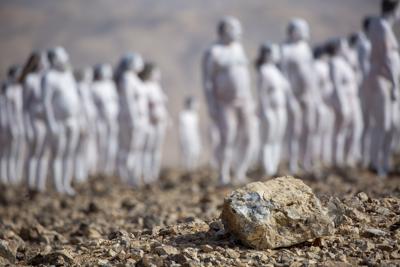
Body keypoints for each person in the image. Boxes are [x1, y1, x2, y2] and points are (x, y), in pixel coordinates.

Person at [202, 16, 256, 184]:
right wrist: (211, 104)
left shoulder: (239, 48)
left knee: (249, 137)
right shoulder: (214, 51)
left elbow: (245, 75)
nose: (239, 31)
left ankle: (240, 172)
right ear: (224, 30)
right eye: (234, 28)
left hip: (245, 100)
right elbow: (208, 81)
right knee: (228, 137)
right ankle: (223, 174)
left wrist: (251, 98)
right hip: (225, 103)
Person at [364, 0, 400, 176]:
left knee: (391, 124)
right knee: (383, 124)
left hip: (385, 80)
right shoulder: (382, 27)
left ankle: (384, 161)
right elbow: (386, 58)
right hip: (382, 80)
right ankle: (375, 162)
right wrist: (394, 83)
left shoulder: (381, 25)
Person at [43, 47, 81, 195]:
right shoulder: (49, 77)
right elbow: (46, 102)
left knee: (69, 153)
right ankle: (57, 185)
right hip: (58, 122)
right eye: (62, 55)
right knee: (58, 153)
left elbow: (75, 97)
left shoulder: (68, 75)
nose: (66, 57)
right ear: (54, 59)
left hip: (72, 121)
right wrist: (51, 122)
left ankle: (66, 184)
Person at [281, 18, 317, 172]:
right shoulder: (285, 49)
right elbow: (284, 75)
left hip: (308, 94)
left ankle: (307, 160)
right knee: (294, 130)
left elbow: (311, 71)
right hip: (293, 94)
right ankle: (293, 162)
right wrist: (289, 98)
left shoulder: (305, 48)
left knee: (309, 128)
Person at [255, 43, 289, 176]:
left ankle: (274, 167)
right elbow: (262, 93)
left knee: (277, 138)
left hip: (281, 109)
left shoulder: (277, 71)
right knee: (268, 139)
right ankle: (267, 167)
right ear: (267, 54)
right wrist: (265, 110)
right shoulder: (263, 71)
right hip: (270, 110)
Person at [20, 51, 50, 190]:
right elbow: (24, 105)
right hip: (33, 121)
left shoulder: (46, 78)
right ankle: (30, 184)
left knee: (43, 154)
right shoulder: (30, 79)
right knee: (33, 153)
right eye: (41, 61)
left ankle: (40, 184)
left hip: (45, 121)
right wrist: (26, 125)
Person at [115, 53, 145, 186]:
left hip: (139, 119)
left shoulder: (134, 79)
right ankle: (125, 176)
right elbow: (129, 101)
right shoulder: (127, 78)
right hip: (129, 119)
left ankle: (134, 177)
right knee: (129, 149)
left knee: (136, 149)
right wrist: (133, 119)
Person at [141, 62, 168, 183]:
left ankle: (154, 173)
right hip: (149, 123)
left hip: (159, 122)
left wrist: (166, 119)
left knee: (156, 150)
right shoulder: (144, 87)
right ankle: (146, 174)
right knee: (148, 149)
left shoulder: (157, 87)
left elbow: (162, 105)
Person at [92, 64, 119, 176]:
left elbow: (115, 101)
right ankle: (97, 169)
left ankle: (108, 169)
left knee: (111, 145)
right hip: (100, 120)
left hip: (112, 119)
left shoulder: (111, 86)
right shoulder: (94, 87)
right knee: (100, 145)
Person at [313, 45, 336, 167]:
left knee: (327, 132)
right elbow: (315, 88)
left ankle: (325, 158)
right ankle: (316, 158)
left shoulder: (326, 67)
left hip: (328, 104)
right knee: (318, 132)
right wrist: (319, 104)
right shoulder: (316, 67)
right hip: (321, 104)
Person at [74, 68, 97, 182]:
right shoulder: (78, 88)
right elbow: (78, 108)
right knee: (80, 151)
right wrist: (82, 123)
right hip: (82, 123)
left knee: (87, 150)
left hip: (89, 123)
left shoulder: (87, 88)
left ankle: (85, 172)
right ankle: (79, 174)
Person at [3, 65, 25, 185]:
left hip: (20, 125)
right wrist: (10, 126)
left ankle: (16, 176)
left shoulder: (20, 89)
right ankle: (5, 177)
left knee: (18, 152)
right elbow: (6, 112)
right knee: (7, 153)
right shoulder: (9, 90)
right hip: (9, 127)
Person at [179, 96, 202, 171]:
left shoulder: (195, 115)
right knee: (187, 153)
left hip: (194, 136)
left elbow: (196, 129)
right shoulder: (183, 115)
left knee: (195, 152)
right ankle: (187, 169)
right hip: (186, 137)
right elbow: (181, 129)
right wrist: (182, 139)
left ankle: (193, 168)